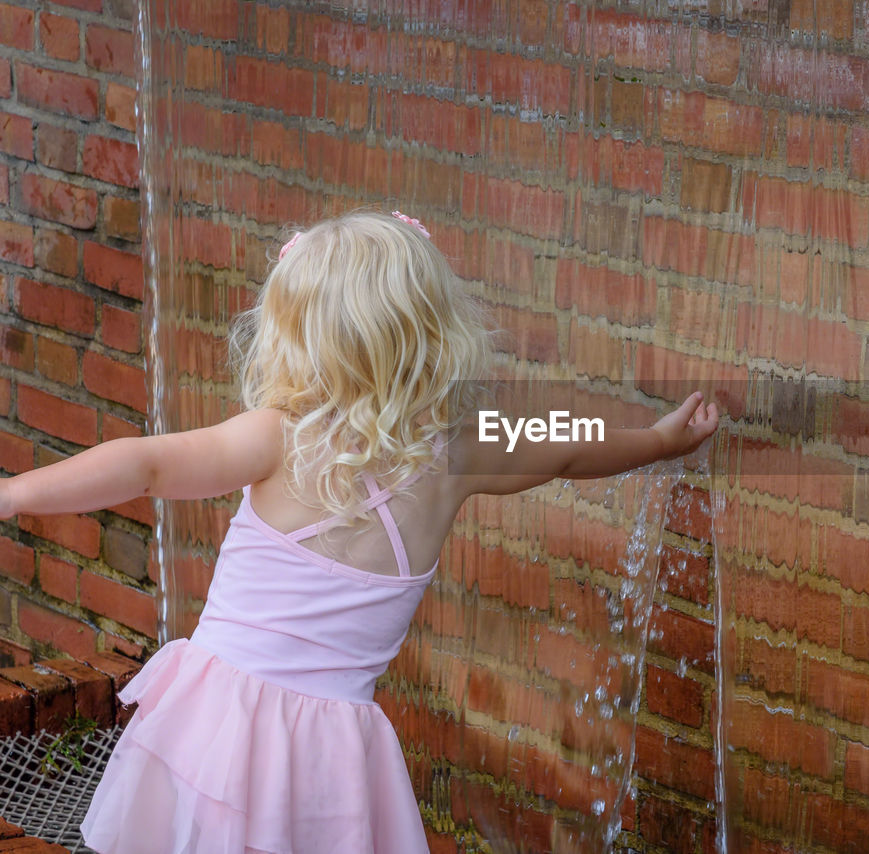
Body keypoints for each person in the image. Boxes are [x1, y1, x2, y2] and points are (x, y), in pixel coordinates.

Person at [0, 210, 719, 854]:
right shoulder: (461, 452)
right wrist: (657, 439)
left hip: (221, 729)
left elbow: (148, 466)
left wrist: (15, 493)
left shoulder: (279, 438)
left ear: (297, 335)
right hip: (332, 752)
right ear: (431, 333)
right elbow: (569, 445)